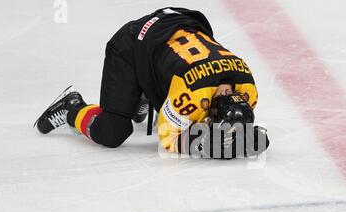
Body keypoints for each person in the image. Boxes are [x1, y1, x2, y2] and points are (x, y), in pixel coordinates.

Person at [35, 7, 269, 159]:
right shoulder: (191, 96)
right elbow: (167, 137)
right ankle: (72, 107)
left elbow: (242, 126)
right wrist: (208, 145)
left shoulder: (249, 91)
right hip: (133, 43)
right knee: (111, 133)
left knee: (174, 86)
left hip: (180, 24)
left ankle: (145, 92)